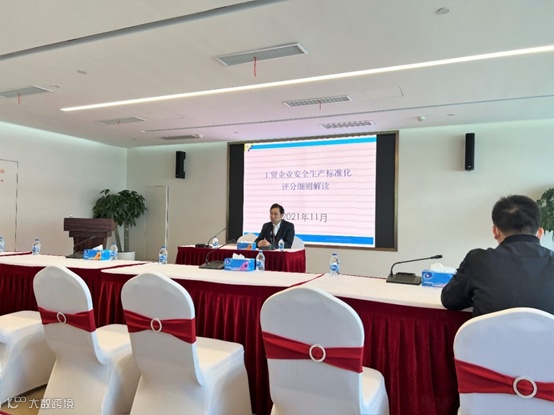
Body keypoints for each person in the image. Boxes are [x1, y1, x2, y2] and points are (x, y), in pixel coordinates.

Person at [441, 194, 554, 317]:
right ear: (540, 233)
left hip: (490, 331)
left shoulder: (477, 260)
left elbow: (450, 301)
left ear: (495, 231)